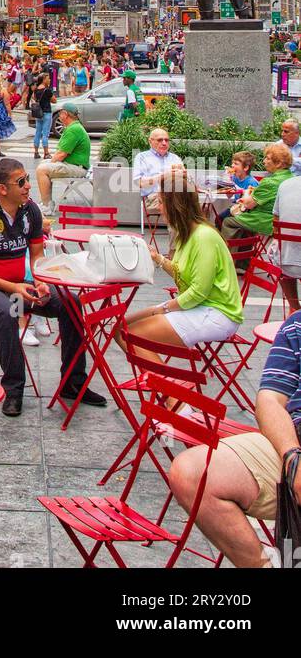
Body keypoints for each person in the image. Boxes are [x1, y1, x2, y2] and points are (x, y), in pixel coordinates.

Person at [0, 159, 106, 418]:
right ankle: (14, 389)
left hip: (21, 285)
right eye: (21, 182)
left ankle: (73, 382)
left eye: (27, 178)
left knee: (71, 302)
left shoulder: (30, 211)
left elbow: (37, 256)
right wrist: (13, 286)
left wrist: (40, 281)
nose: (28, 186)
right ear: (2, 189)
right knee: (7, 312)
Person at [168, 310, 301, 569]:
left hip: (212, 321)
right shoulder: (296, 326)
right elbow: (269, 400)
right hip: (292, 438)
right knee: (192, 473)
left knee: (130, 331)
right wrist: (293, 457)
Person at [119, 173, 243, 358]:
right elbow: (182, 274)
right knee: (120, 327)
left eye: (161, 202)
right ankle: (156, 380)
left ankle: (160, 385)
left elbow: (199, 292)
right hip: (199, 305)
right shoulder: (187, 233)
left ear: (174, 206)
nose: (158, 208)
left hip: (217, 313)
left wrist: (165, 308)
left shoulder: (203, 237)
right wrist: (158, 258)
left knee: (132, 335)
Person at [220, 143, 292, 246]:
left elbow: (248, 204)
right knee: (241, 223)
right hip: (285, 222)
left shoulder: (270, 182)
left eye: (267, 158)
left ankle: (229, 255)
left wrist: (246, 192)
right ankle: (243, 258)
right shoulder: (291, 177)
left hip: (266, 221)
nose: (264, 161)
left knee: (228, 222)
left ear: (279, 163)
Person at [34, 103, 92, 215]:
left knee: (42, 170)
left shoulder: (73, 129)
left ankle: (46, 206)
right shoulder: (74, 127)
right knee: (44, 165)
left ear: (65, 114)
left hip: (77, 167)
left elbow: (61, 154)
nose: (59, 115)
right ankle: (47, 203)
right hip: (76, 165)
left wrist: (50, 163)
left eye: (60, 113)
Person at [131, 127, 185, 216]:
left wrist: (183, 175)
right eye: (160, 140)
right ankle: (179, 229)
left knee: (204, 205)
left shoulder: (175, 158)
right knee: (180, 205)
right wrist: (164, 176)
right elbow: (139, 182)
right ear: (150, 141)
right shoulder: (142, 157)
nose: (164, 143)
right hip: (154, 197)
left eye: (167, 140)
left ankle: (196, 229)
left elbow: (184, 178)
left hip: (177, 195)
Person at [274, 175, 301, 314]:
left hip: (284, 263)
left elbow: (276, 221)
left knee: (279, 252)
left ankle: (295, 309)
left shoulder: (285, 184)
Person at [30, 72, 53, 162]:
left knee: (38, 132)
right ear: (44, 80)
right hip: (47, 112)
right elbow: (54, 100)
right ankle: (46, 153)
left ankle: (36, 152)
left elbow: (34, 98)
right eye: (48, 78)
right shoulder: (47, 90)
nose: (49, 80)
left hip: (38, 113)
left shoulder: (36, 90)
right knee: (45, 134)